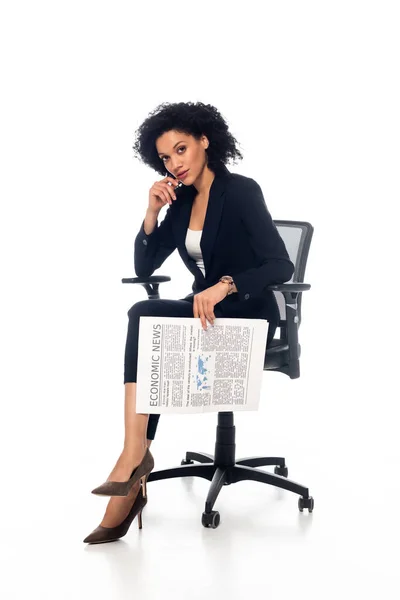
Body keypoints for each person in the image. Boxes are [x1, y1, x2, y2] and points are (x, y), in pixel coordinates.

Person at [83, 101, 294, 543]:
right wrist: (152, 212)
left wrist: (226, 285)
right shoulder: (179, 202)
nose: (174, 163)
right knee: (149, 324)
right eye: (165, 157)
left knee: (145, 317)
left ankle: (133, 459)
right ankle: (135, 456)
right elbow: (144, 267)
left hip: (248, 311)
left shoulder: (240, 191)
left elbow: (280, 265)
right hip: (207, 314)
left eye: (181, 149)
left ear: (204, 141)